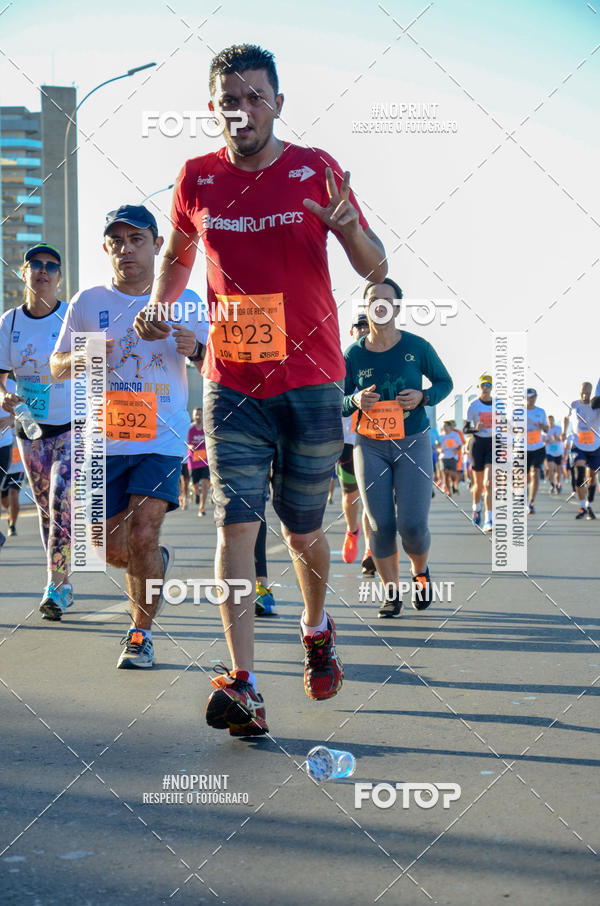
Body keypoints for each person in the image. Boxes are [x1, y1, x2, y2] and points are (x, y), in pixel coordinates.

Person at [134, 44, 387, 734]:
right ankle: (244, 682)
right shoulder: (195, 179)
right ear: (214, 105)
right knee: (234, 523)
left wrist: (349, 230)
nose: (239, 110)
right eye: (228, 99)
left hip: (311, 381)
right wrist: (161, 302)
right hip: (233, 383)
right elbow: (178, 256)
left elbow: (374, 264)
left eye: (253, 97)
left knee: (302, 528)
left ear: (278, 102)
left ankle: (315, 628)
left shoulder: (317, 169)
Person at [50, 205, 208, 667]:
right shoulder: (86, 302)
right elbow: (57, 366)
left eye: (136, 239)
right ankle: (154, 560)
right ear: (106, 248)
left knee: (141, 531)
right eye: (117, 241)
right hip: (106, 440)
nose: (126, 249)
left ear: (158, 245)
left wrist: (195, 347)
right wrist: (87, 354)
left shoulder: (185, 299)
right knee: (109, 548)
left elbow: (219, 360)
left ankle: (140, 634)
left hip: (162, 437)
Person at [344, 278, 453, 618]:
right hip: (370, 445)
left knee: (412, 526)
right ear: (366, 306)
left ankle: (420, 571)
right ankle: (391, 592)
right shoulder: (353, 353)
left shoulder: (417, 347)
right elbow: (338, 399)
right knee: (380, 524)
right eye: (373, 299)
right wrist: (355, 399)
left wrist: (423, 396)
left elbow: (444, 382)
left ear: (397, 308)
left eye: (386, 300)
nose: (379, 304)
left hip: (413, 441)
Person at [0, 244, 74, 617]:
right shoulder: (9, 322)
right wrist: (5, 399)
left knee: (61, 500)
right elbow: (0, 380)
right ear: (25, 272)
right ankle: (61, 581)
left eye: (51, 266)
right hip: (30, 429)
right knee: (47, 509)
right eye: (36, 265)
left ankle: (55, 586)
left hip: (73, 424)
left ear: (59, 277)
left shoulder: (71, 317)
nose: (43, 271)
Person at [340, 311, 373, 572]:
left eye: (367, 324)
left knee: (370, 496)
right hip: (346, 440)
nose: (363, 329)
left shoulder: (382, 360)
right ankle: (352, 531)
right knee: (351, 496)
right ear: (353, 331)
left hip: (372, 437)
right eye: (359, 326)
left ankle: (370, 551)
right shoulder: (343, 359)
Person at [565, 382, 600, 520]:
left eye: (587, 392)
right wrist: (563, 431)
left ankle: (589, 504)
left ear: (591, 392)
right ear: (579, 391)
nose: (585, 394)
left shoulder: (596, 404)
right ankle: (582, 507)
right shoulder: (574, 405)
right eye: (582, 392)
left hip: (595, 446)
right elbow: (566, 418)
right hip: (578, 445)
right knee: (579, 475)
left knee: (591, 477)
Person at [464, 375, 495, 531]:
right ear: (479, 387)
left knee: (488, 484)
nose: (486, 387)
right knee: (478, 485)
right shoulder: (473, 405)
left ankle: (489, 520)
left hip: (492, 444)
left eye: (488, 384)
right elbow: (465, 429)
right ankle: (476, 509)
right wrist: (476, 428)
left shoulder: (499, 405)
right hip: (477, 444)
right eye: (483, 385)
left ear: (492, 387)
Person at [526, 389, 548, 515]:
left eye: (534, 396)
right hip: (523, 447)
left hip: (538, 447)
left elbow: (546, 429)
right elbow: (510, 429)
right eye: (529, 397)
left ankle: (531, 502)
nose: (532, 399)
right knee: (524, 477)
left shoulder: (541, 412)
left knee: (535, 474)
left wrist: (543, 427)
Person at [187, 407, 210, 516]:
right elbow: (186, 442)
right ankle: (196, 493)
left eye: (200, 414)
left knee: (205, 484)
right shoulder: (190, 429)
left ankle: (202, 507)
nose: (198, 416)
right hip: (193, 460)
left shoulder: (206, 429)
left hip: (205, 460)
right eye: (196, 414)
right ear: (193, 416)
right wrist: (190, 446)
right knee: (195, 485)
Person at [440, 420, 462, 496]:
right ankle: (449, 491)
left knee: (452, 474)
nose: (444, 428)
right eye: (443, 426)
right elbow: (438, 446)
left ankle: (453, 484)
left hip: (453, 457)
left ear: (450, 427)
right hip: (443, 457)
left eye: (446, 426)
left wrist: (456, 449)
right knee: (445, 474)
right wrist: (439, 449)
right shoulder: (441, 436)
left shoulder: (455, 435)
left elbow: (460, 444)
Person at [544, 415, 563, 495]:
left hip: (558, 451)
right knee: (551, 469)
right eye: (549, 420)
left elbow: (562, 438)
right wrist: (546, 441)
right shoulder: (545, 429)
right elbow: (543, 440)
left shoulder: (558, 428)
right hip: (549, 452)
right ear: (547, 421)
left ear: (553, 420)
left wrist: (557, 438)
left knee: (558, 471)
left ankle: (558, 485)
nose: (550, 422)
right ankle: (552, 485)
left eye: (551, 420)